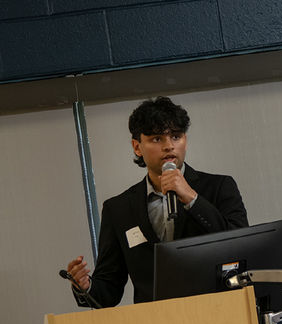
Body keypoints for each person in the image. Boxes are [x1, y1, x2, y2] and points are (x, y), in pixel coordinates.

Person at [65, 96, 248, 307]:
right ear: (137, 147)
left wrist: (192, 198)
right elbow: (108, 291)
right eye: (157, 139)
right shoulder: (118, 209)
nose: (169, 146)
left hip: (216, 315)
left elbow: (240, 249)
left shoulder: (219, 187)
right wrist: (85, 286)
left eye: (176, 137)